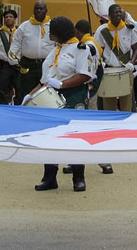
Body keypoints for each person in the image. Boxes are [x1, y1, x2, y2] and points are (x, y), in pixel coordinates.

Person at [22, 16, 92, 192]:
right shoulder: (55, 51)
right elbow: (45, 80)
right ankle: (50, 177)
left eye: (52, 31)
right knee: (49, 136)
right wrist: (30, 95)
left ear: (60, 32)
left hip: (74, 95)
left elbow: (85, 75)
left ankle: (78, 177)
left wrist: (62, 84)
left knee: (74, 137)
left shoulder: (80, 49)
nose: (50, 35)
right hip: (51, 96)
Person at [61, 20, 114, 175]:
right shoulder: (92, 43)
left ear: (77, 32)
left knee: (90, 128)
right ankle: (75, 161)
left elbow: (92, 70)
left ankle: (104, 161)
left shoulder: (88, 46)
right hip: (89, 89)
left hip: (89, 90)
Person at [94, 4, 137, 112]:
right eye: (115, 12)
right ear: (110, 16)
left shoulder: (128, 28)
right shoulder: (102, 30)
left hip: (125, 68)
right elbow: (99, 49)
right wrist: (100, 62)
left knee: (126, 102)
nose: (118, 14)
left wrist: (132, 62)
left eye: (120, 12)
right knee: (109, 103)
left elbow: (136, 48)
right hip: (109, 69)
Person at [9, 0, 54, 105]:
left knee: (46, 93)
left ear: (46, 11)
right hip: (28, 65)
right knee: (25, 93)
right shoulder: (24, 26)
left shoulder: (52, 25)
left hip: (47, 65)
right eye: (36, 8)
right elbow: (16, 44)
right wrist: (14, 60)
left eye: (41, 8)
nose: (38, 10)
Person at [0, 10, 20, 105]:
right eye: (6, 17)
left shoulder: (19, 32)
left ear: (15, 19)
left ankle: (19, 108)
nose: (8, 18)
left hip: (17, 65)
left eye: (10, 16)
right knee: (2, 90)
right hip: (4, 66)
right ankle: (4, 109)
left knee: (20, 89)